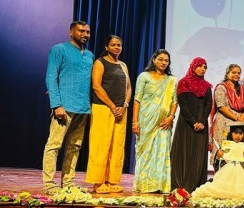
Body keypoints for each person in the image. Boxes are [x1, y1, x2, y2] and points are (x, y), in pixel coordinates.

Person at [42, 20, 94, 194]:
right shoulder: (60, 49)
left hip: (83, 107)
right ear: (71, 32)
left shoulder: (89, 55)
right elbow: (51, 77)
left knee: (75, 146)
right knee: (54, 145)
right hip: (64, 106)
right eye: (81, 31)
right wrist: (56, 104)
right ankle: (49, 184)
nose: (85, 34)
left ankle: (68, 182)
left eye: (87, 32)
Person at [85, 34, 131, 194]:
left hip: (121, 111)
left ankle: (112, 181)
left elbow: (128, 88)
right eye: (113, 45)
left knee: (117, 146)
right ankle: (98, 182)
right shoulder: (100, 62)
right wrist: (112, 106)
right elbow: (96, 86)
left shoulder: (123, 65)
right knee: (101, 145)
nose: (116, 47)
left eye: (119, 45)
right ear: (106, 47)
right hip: (103, 108)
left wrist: (124, 105)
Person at [131, 49, 177, 193]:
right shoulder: (144, 76)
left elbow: (174, 101)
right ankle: (144, 185)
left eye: (166, 60)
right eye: (160, 59)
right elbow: (137, 99)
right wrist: (135, 121)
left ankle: (160, 185)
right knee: (145, 151)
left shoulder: (172, 80)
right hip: (146, 120)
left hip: (164, 123)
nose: (163, 63)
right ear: (154, 60)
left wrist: (171, 117)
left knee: (161, 152)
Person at [170, 57, 213, 193]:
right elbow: (183, 105)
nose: (202, 69)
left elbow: (208, 105)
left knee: (198, 154)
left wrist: (202, 121)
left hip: (201, 125)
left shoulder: (207, 86)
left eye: (205, 67)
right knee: (184, 152)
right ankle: (180, 184)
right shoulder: (183, 83)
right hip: (186, 124)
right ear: (193, 67)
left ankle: (196, 185)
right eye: (200, 66)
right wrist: (194, 122)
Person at [191, 122, 244, 201]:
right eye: (235, 133)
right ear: (231, 133)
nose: (238, 136)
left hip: (241, 177)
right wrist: (218, 157)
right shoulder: (225, 146)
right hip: (226, 175)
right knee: (217, 191)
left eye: (240, 133)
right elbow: (218, 166)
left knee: (241, 195)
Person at [211, 64, 244, 152]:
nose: (237, 75)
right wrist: (236, 118)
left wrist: (242, 119)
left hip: (239, 125)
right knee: (223, 150)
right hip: (224, 123)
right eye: (234, 72)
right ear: (227, 74)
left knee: (237, 151)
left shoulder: (242, 89)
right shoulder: (221, 87)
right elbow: (221, 107)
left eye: (238, 73)